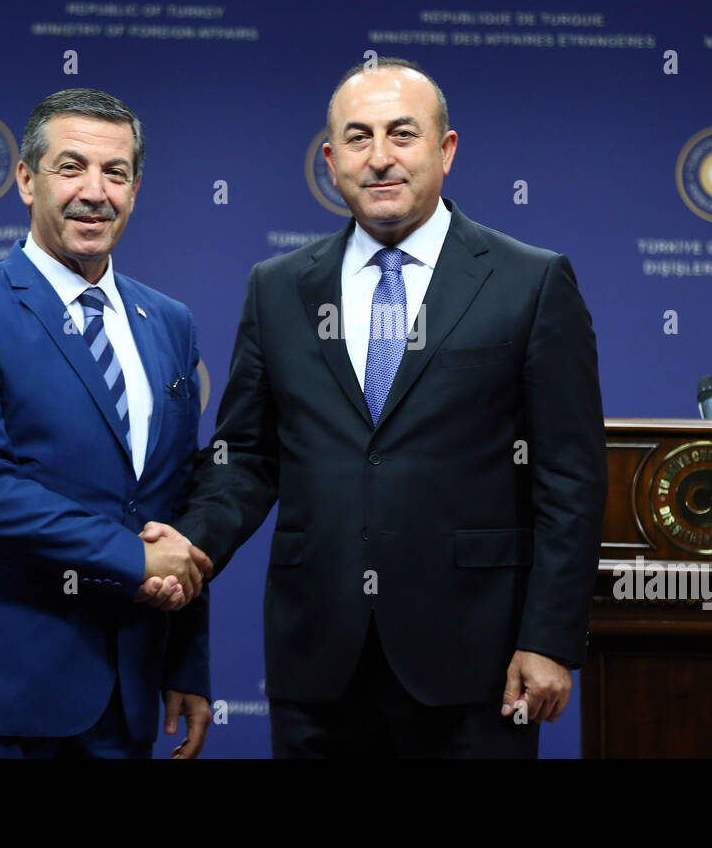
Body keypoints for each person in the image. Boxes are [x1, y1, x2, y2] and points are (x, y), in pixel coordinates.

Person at [143, 59, 607, 757]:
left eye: (402, 134)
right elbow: (247, 456)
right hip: (319, 664)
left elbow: (570, 479)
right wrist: (194, 545)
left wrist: (548, 639)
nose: (381, 158)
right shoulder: (278, 288)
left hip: (477, 665)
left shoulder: (531, 282)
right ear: (331, 162)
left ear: (445, 151)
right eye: (358, 139)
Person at [0, 88, 212, 758]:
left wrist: (185, 663)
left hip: (126, 704)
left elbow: (175, 508)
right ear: (24, 179)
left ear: (136, 188)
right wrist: (133, 557)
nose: (94, 192)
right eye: (70, 168)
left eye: (116, 173)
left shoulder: (170, 323)